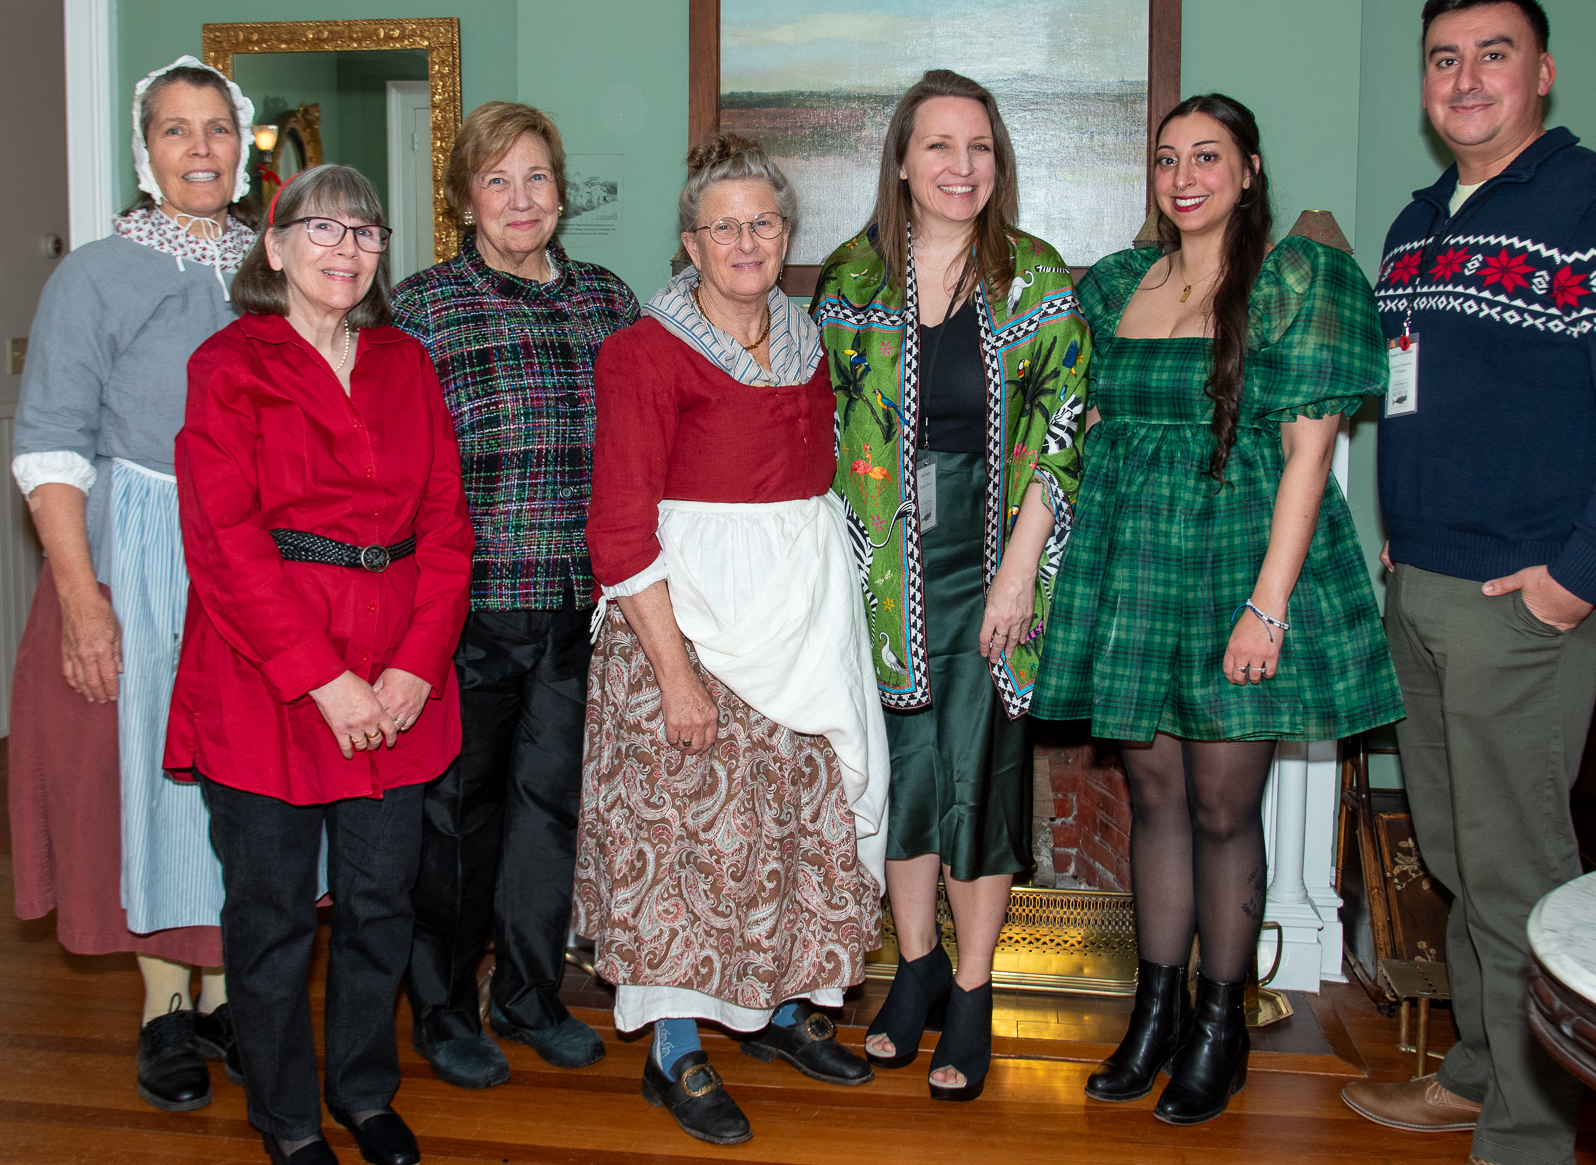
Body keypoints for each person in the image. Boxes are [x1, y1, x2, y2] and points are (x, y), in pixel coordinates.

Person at [1342, 0, 1596, 1165]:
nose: (1463, 79)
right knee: (1453, 856)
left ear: (1539, 72)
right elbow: (1421, 398)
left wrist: (1572, 579)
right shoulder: (1417, 222)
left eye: (1490, 55)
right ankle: (1473, 1073)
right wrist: (1402, 531)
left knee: (1517, 877)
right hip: (1425, 585)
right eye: (1442, 58)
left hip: (1522, 606)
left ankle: (1528, 1135)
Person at [1036, 92, 1403, 1126]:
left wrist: (1267, 609)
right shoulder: (1115, 285)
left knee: (1217, 808)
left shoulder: (1297, 280)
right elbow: (1092, 428)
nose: (1183, 175)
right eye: (1165, 158)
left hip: (1242, 568)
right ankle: (1150, 1013)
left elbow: (1307, 456)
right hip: (1138, 574)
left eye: (1206, 156)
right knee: (1151, 803)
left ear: (1247, 170)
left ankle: (1219, 1024)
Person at [578, 133, 886, 1147]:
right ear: (688, 243)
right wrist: (673, 674)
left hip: (802, 620)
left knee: (800, 824)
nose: (746, 241)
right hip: (688, 623)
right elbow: (619, 526)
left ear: (785, 235)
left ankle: (782, 1012)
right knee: (680, 842)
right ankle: (674, 1050)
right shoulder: (641, 351)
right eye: (724, 227)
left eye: (763, 222)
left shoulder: (805, 340)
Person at [165, 164, 474, 1165]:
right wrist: (323, 679)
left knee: (383, 902)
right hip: (267, 669)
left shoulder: (406, 364)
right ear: (276, 246)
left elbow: (446, 530)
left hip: (398, 667)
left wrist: (417, 667)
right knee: (271, 916)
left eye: (365, 233)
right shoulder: (228, 365)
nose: (345, 249)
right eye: (321, 229)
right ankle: (288, 1118)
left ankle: (362, 1092)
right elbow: (224, 543)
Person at [814, 69, 1089, 1102]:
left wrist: (1020, 565)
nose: (960, 167)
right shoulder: (848, 280)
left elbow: (1063, 431)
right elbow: (826, 431)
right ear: (899, 160)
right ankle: (915, 966)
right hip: (880, 567)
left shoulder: (1036, 279)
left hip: (994, 561)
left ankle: (972, 990)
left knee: (981, 774)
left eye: (978, 147)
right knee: (905, 775)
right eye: (939, 146)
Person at [9, 56, 256, 1112]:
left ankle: (237, 998)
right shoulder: (97, 274)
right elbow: (50, 444)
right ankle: (166, 1006)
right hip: (139, 548)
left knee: (250, 778)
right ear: (143, 149)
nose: (198, 149)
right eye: (174, 130)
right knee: (149, 775)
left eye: (215, 129)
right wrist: (82, 597)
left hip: (255, 553)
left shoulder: (281, 265)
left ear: (244, 145)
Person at [391, 102, 641, 1088]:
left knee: (550, 814)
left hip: (581, 611)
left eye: (536, 177)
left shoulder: (607, 301)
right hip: (468, 608)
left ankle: (528, 997)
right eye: (497, 180)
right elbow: (395, 470)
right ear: (463, 198)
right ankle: (443, 1009)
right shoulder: (421, 309)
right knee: (455, 819)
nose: (521, 198)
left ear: (559, 189)